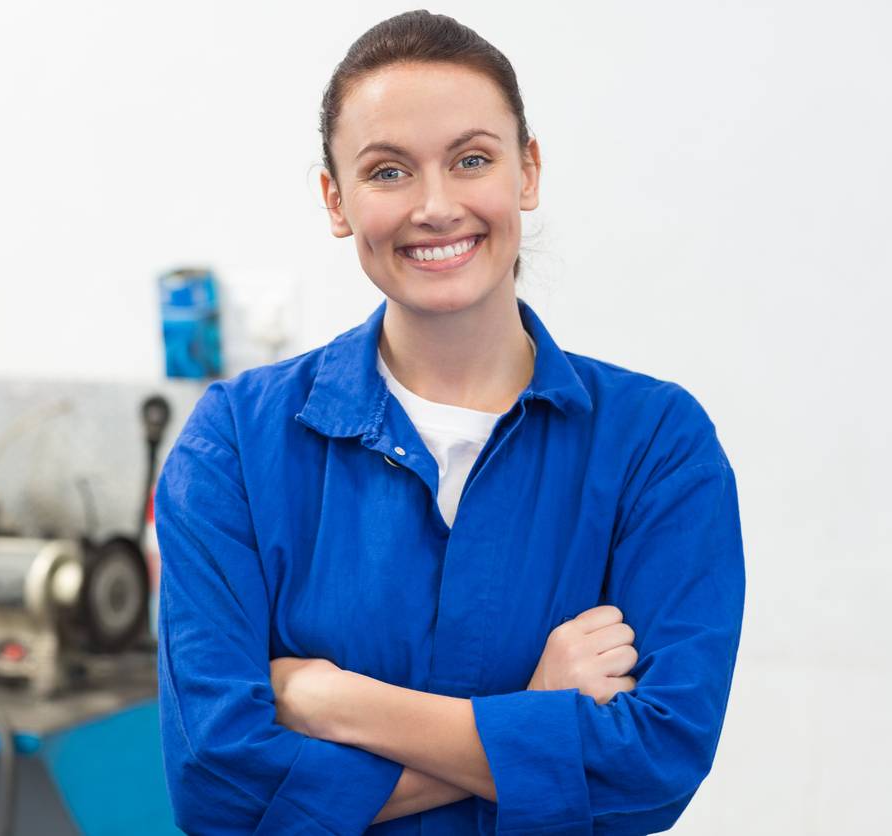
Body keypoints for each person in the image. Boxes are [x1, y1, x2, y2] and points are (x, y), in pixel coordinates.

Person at [154, 10, 744, 834]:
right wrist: (536, 715)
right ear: (336, 198)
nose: (436, 206)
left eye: (471, 160)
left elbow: (654, 766)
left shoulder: (657, 446)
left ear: (527, 172)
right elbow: (216, 787)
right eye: (388, 171)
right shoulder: (235, 447)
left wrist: (335, 701)